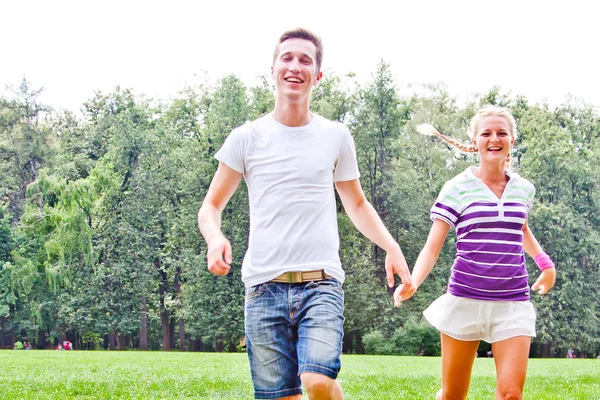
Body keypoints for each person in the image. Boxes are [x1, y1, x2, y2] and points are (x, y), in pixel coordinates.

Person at [198, 27, 412, 400]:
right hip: (263, 288)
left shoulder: (335, 136)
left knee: (317, 380)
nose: (295, 66)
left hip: (321, 282)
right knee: (285, 396)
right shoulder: (246, 138)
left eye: (305, 60)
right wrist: (215, 237)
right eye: (287, 58)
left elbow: (357, 204)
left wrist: (390, 246)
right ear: (273, 69)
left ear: (317, 75)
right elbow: (210, 206)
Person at [393, 105, 556, 400]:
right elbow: (433, 246)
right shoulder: (457, 188)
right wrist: (414, 280)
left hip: (512, 301)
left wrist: (546, 265)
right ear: (476, 142)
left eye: (501, 133)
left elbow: (520, 229)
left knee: (511, 394)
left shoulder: (524, 189)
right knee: (453, 394)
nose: (494, 138)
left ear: (511, 141)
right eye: (487, 133)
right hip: (465, 298)